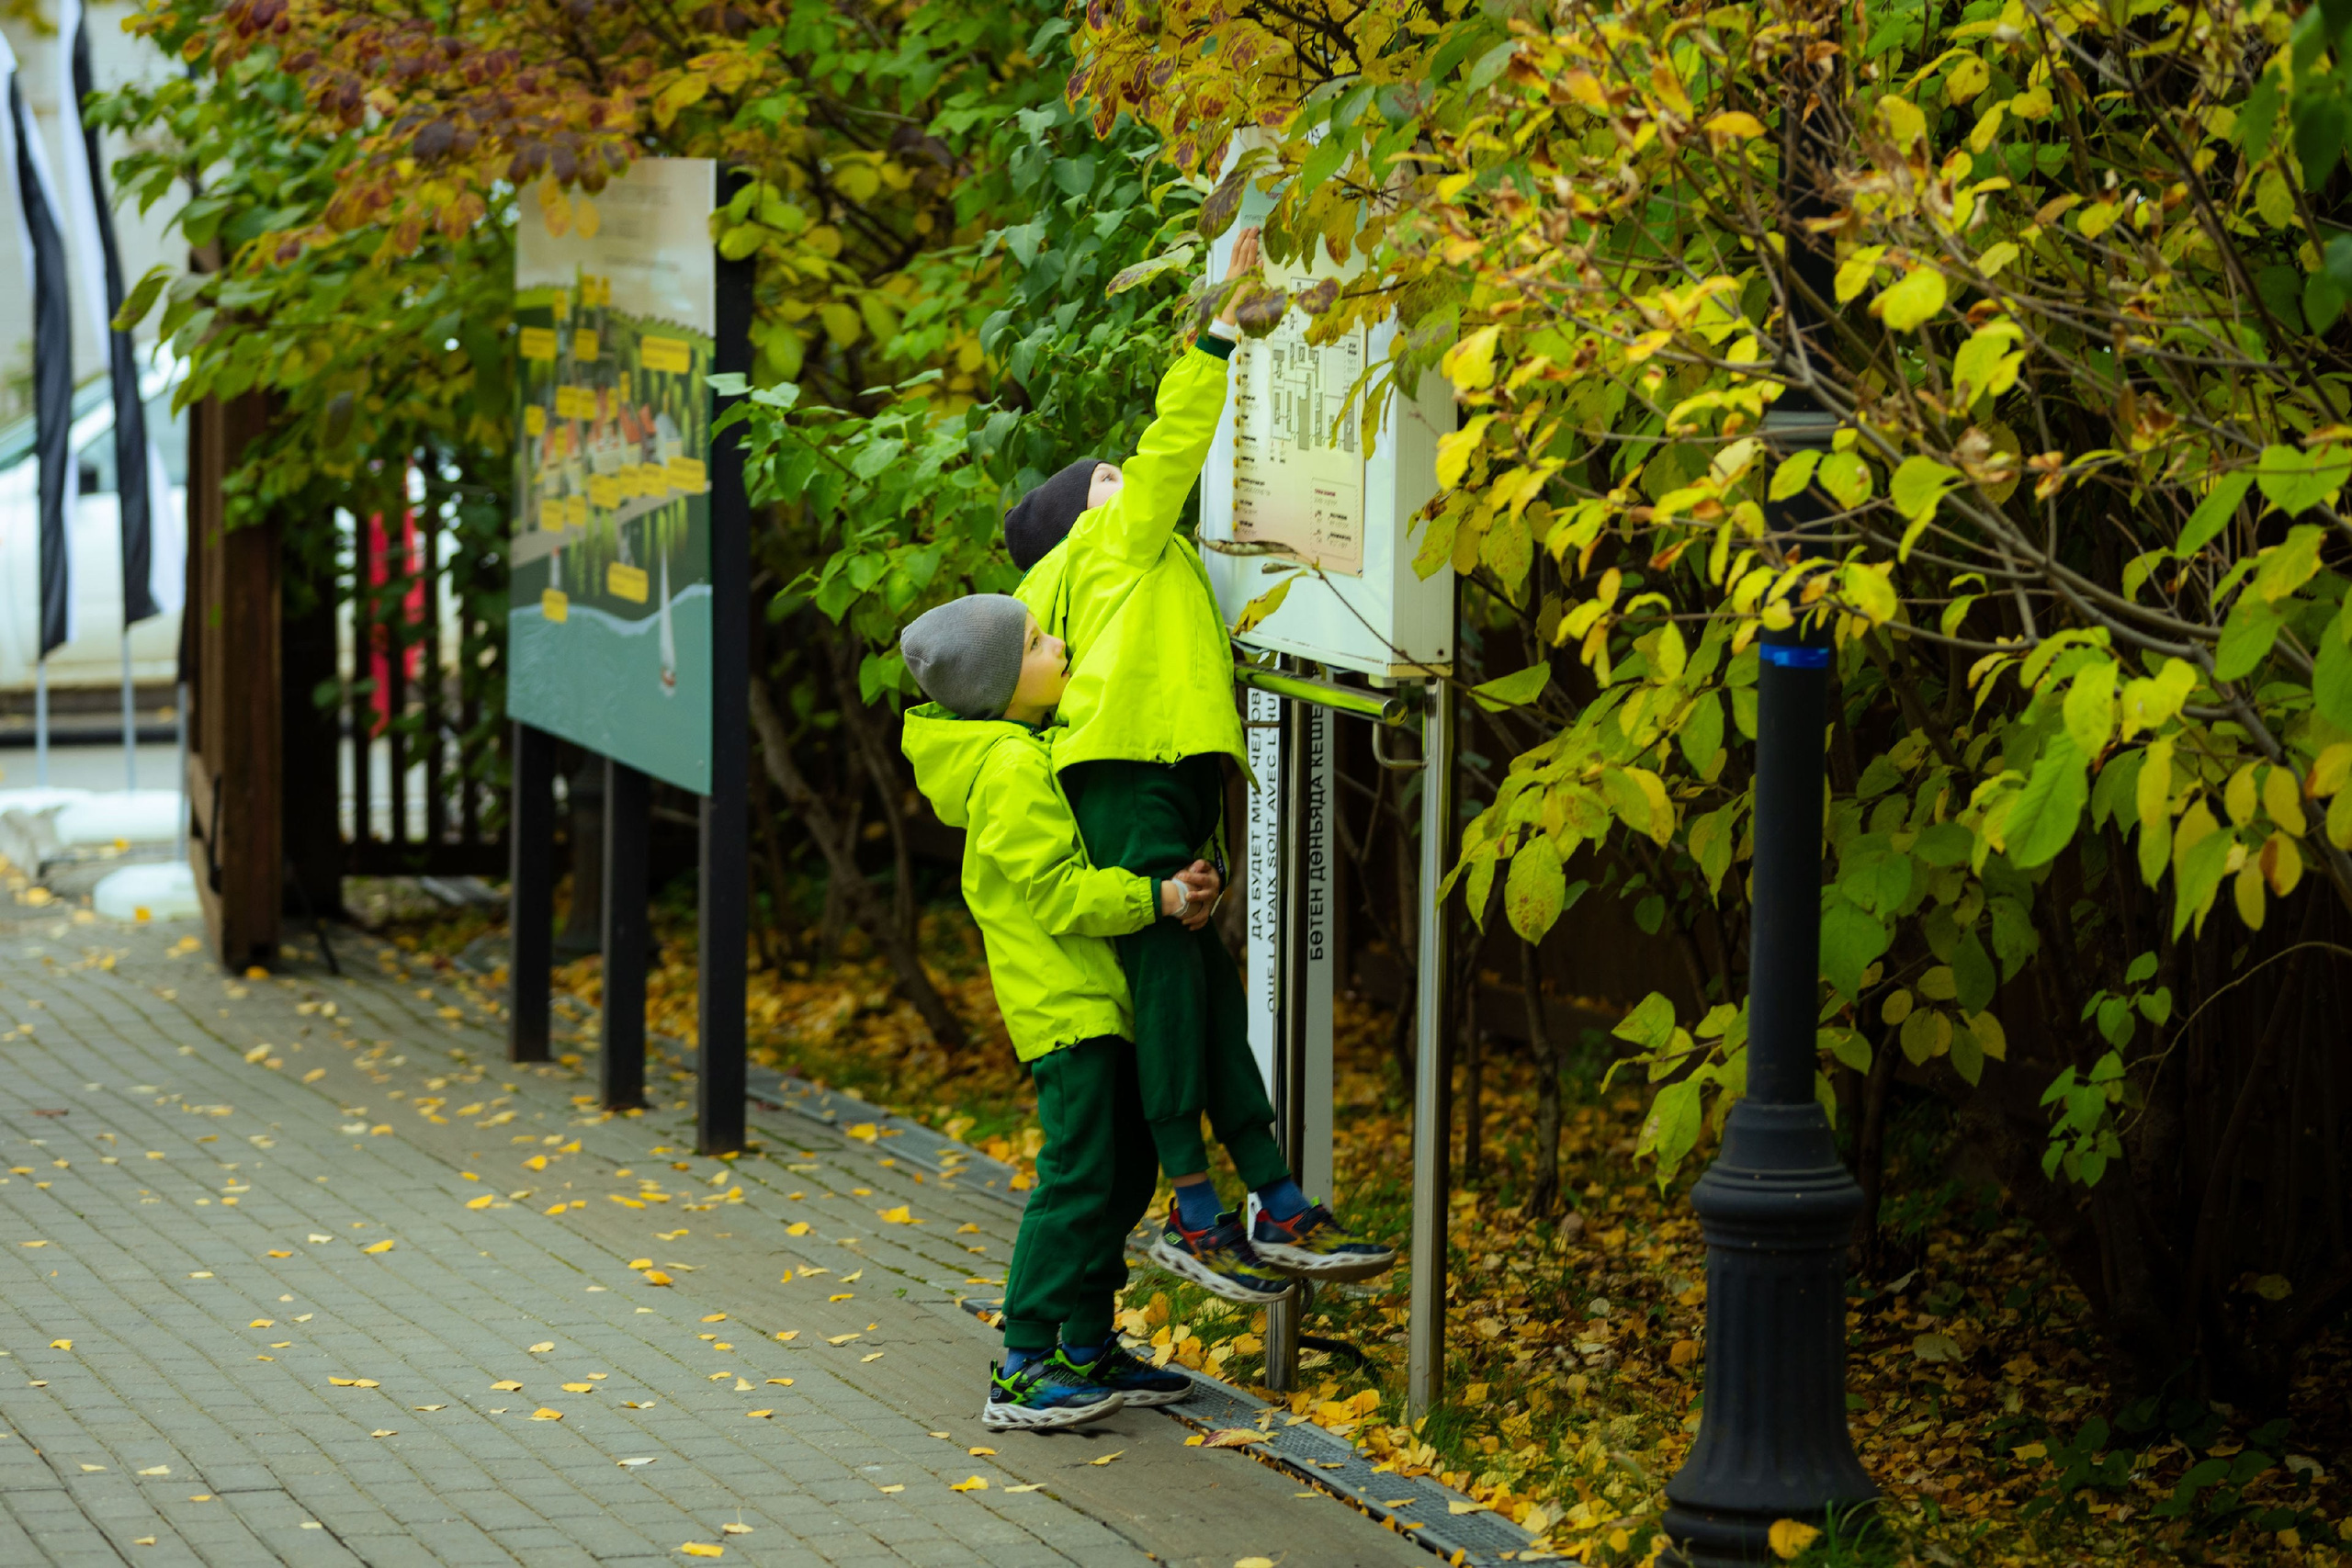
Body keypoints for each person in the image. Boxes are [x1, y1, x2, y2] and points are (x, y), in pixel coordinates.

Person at [1007, 227, 1395, 1301]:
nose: (1123, 478)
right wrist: (1218, 336)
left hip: (1160, 772)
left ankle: (1267, 1197)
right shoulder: (1112, 546)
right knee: (1179, 986)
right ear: (1076, 524)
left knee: (1205, 990)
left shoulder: (1133, 565)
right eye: (1104, 480)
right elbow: (1176, 443)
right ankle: (1199, 1208)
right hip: (1135, 771)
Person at [899, 592, 1221, 1431]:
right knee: (1078, 1174)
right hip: (1066, 1007)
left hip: (1097, 998)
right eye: (1040, 642)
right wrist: (1156, 896)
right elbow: (1057, 891)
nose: (1061, 644)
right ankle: (1024, 1364)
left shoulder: (1026, 745)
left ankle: (1086, 1346)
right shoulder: (1007, 769)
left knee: (1120, 1175)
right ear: (1002, 685)